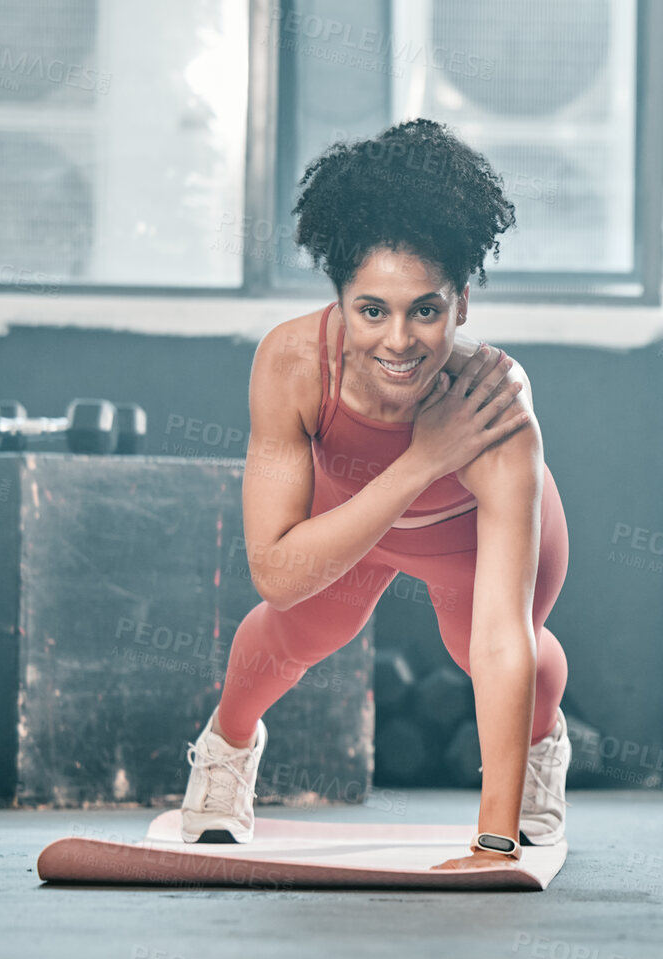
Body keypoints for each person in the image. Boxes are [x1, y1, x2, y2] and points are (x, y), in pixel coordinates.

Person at [178, 119, 570, 871]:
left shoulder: (494, 399)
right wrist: (425, 460)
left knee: (491, 645)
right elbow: (275, 570)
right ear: (340, 299)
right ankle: (225, 749)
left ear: (461, 303)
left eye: (425, 309)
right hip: (355, 517)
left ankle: (540, 749)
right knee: (296, 631)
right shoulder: (292, 363)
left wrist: (495, 842)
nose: (399, 340)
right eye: (372, 310)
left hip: (471, 537)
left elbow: (496, 642)